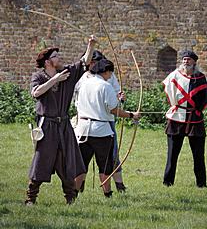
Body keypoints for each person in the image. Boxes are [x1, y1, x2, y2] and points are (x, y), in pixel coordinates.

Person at [25, 35, 96, 206]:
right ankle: (30, 198)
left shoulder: (66, 73)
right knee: (42, 160)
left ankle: (70, 198)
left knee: (66, 161)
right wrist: (54, 79)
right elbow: (36, 93)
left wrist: (90, 45)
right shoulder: (39, 76)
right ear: (48, 62)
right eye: (56, 56)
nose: (59, 58)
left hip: (64, 125)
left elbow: (84, 61)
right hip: (47, 126)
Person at [74, 58, 140, 197]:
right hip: (101, 131)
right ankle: (107, 194)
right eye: (110, 73)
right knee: (105, 165)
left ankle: (72, 194)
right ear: (105, 71)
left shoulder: (84, 84)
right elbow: (113, 110)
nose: (111, 76)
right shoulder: (105, 86)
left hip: (83, 129)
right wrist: (131, 115)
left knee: (81, 165)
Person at [162, 50, 207, 188]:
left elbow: (206, 98)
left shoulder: (200, 78)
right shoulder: (174, 75)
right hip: (176, 118)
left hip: (194, 119)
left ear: (194, 62)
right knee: (172, 154)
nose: (186, 62)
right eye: (184, 59)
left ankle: (201, 184)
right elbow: (167, 90)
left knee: (198, 155)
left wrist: (196, 110)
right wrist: (175, 105)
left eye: (188, 59)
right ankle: (167, 182)